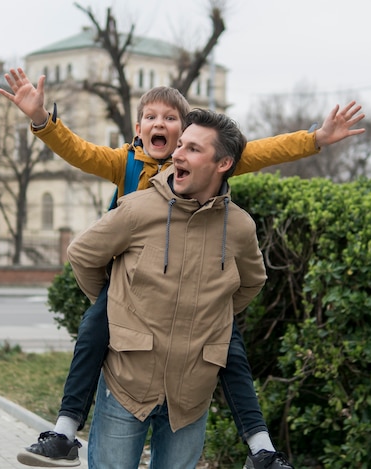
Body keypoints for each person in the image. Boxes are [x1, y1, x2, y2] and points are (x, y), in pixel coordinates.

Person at [0, 68, 365, 468]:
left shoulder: (210, 172)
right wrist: (41, 120)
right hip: (128, 296)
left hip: (193, 327)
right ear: (138, 130)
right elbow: (78, 152)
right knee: (92, 332)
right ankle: (65, 431)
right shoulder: (125, 164)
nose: (161, 124)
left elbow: (263, 151)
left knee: (230, 349)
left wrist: (315, 139)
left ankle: (260, 447)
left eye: (172, 119)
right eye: (151, 117)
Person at [68, 108, 266, 468]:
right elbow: (82, 255)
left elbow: (251, 282)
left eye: (192, 149)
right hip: (126, 386)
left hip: (191, 396)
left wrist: (210, 318)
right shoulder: (137, 210)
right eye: (181, 145)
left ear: (222, 164)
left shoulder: (239, 227)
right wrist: (118, 306)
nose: (177, 153)